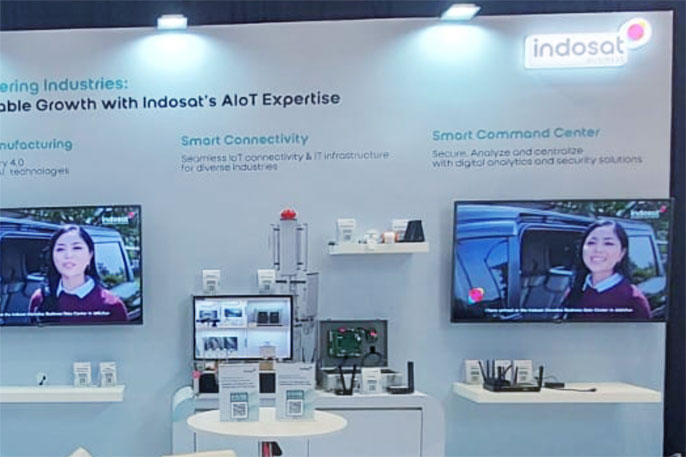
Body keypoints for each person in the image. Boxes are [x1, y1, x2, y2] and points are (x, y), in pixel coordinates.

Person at [29, 225, 128, 323]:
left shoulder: (112, 305)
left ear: (90, 255)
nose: (68, 255)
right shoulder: (40, 298)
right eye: (60, 249)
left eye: (76, 248)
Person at [564, 220, 651, 320]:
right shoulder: (575, 290)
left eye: (608, 243)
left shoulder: (633, 299)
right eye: (591, 243)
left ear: (622, 253)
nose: (598, 249)